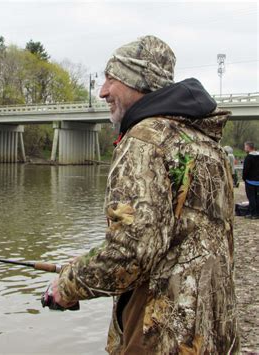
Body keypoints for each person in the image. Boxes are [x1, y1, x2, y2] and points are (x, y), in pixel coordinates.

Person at [50, 35, 239, 353]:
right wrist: (88, 262)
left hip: (163, 336)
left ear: (139, 82)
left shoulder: (145, 140)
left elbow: (132, 251)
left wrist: (68, 284)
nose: (103, 91)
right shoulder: (206, 144)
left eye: (113, 79)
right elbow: (177, 240)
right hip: (214, 330)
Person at [243, 141, 259, 218]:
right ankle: (257, 213)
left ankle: (254, 214)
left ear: (248, 147)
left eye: (245, 147)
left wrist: (244, 178)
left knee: (251, 198)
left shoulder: (248, 157)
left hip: (250, 181)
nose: (244, 148)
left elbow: (246, 170)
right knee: (257, 197)